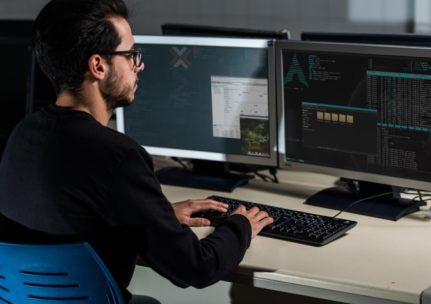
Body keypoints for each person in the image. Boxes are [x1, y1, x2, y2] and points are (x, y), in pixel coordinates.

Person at [0, 0, 274, 303]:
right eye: (131, 55)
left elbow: (66, 223)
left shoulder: (23, 134)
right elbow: (197, 268)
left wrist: (159, 217)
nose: (139, 65)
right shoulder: (118, 156)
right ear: (98, 66)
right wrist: (241, 226)